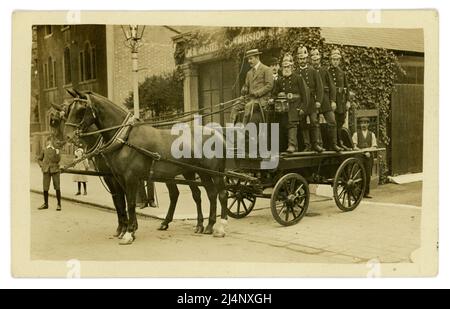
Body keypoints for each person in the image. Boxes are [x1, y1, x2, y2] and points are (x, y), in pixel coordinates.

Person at [271, 54, 309, 153]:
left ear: (292, 67)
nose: (286, 69)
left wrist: (303, 108)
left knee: (292, 124)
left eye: (288, 67)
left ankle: (292, 145)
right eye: (284, 67)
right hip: (283, 107)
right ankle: (287, 147)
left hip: (295, 106)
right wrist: (274, 98)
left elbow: (305, 95)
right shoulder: (280, 80)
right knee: (283, 125)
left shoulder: (298, 78)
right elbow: (274, 93)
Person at [310, 48, 342, 152]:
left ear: (320, 58)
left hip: (325, 100)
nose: (315, 60)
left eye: (317, 57)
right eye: (313, 58)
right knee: (314, 122)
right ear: (311, 59)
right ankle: (317, 145)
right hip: (313, 100)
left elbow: (332, 87)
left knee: (332, 121)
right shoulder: (309, 71)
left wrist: (333, 101)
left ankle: (333, 144)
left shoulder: (325, 71)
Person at [296, 45, 324, 153]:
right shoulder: (296, 73)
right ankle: (307, 145)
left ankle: (316, 144)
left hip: (312, 101)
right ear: (298, 60)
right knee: (303, 124)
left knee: (314, 121)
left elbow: (320, 88)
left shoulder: (313, 71)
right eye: (300, 59)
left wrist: (318, 101)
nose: (302, 61)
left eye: (304, 58)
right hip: (301, 102)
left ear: (307, 59)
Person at [240, 49, 274, 125]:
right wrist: (244, 90)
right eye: (248, 59)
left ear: (257, 58)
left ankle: (243, 127)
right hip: (250, 99)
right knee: (235, 107)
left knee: (248, 106)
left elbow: (269, 85)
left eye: (251, 58)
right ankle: (233, 127)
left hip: (262, 100)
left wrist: (257, 93)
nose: (249, 61)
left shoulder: (266, 69)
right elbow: (246, 86)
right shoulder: (249, 73)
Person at [329, 48, 352, 150]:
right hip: (332, 101)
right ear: (331, 60)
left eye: (337, 60)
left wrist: (348, 100)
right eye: (334, 59)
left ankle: (340, 141)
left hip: (341, 101)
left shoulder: (342, 73)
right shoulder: (327, 72)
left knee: (341, 121)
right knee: (333, 122)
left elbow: (347, 88)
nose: (335, 61)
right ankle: (335, 143)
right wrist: (331, 101)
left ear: (339, 60)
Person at [352, 117, 378, 198]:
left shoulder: (372, 134)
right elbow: (354, 147)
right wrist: (363, 151)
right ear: (360, 124)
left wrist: (368, 151)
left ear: (368, 124)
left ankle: (366, 193)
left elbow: (374, 147)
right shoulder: (356, 134)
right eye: (362, 123)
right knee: (358, 175)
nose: (363, 125)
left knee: (367, 174)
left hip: (368, 157)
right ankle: (357, 193)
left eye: (365, 123)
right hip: (359, 157)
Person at [37, 136, 62, 211]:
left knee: (57, 187)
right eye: (49, 141)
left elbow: (58, 160)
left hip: (55, 170)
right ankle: (45, 204)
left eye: (52, 141)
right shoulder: (44, 149)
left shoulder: (57, 150)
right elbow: (39, 159)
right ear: (48, 142)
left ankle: (59, 204)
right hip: (46, 170)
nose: (50, 143)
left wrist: (57, 153)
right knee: (45, 187)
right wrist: (42, 165)